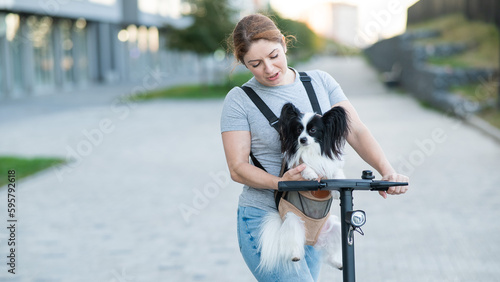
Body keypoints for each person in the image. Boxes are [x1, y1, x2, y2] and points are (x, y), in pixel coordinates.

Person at [220, 13, 409, 281]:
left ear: (284, 43)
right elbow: (237, 168)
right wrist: (280, 182)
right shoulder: (239, 100)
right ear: (244, 64)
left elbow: (355, 130)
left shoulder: (320, 82)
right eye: (256, 63)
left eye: (274, 56)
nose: (269, 68)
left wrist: (387, 171)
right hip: (265, 218)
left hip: (313, 219)